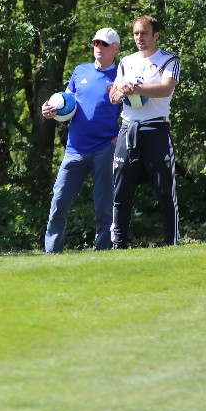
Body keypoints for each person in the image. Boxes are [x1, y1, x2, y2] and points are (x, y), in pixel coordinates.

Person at [41, 27, 122, 253]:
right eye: (96, 43)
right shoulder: (80, 71)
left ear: (116, 49)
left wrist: (120, 136)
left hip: (105, 149)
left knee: (104, 206)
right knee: (59, 201)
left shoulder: (121, 76)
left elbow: (132, 110)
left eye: (104, 44)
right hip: (74, 149)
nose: (99, 47)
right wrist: (50, 110)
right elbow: (65, 103)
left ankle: (103, 251)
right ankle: (52, 251)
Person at [109, 15, 181, 248]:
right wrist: (118, 91)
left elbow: (165, 89)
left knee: (164, 190)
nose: (139, 37)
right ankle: (118, 244)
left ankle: (170, 243)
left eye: (144, 33)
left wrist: (135, 88)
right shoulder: (125, 62)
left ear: (155, 35)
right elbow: (114, 95)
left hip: (156, 129)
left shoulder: (169, 60)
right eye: (136, 33)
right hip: (128, 129)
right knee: (121, 191)